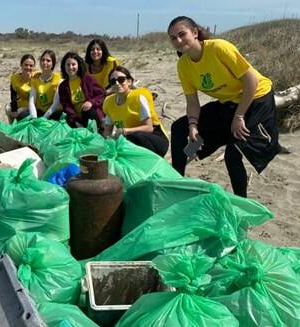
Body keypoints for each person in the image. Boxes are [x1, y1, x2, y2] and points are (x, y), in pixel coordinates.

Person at [168, 16, 280, 198]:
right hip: (229, 102)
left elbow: (251, 80)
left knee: (232, 154)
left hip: (257, 98)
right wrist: (193, 125)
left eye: (182, 34)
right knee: (179, 128)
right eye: (173, 38)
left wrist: (239, 117)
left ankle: (240, 202)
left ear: (195, 32)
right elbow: (192, 102)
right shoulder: (183, 65)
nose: (178, 41)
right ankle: (177, 185)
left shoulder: (218, 48)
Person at [102, 66, 169, 157]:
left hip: (155, 138)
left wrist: (126, 130)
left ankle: (154, 161)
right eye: (113, 82)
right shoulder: (109, 102)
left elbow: (149, 127)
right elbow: (107, 131)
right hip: (130, 140)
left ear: (129, 81)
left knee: (135, 136)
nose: (117, 83)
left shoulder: (138, 98)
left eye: (121, 80)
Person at [57, 51, 105, 128]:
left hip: (90, 114)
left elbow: (101, 94)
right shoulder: (63, 86)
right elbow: (66, 105)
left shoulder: (87, 79)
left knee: (88, 111)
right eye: (68, 65)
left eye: (73, 64)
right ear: (64, 66)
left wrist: (91, 102)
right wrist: (75, 119)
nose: (70, 67)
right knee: (58, 115)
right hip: (75, 118)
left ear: (78, 65)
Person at [28, 49, 63, 120]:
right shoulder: (35, 79)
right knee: (22, 114)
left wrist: (43, 119)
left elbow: (55, 104)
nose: (44, 62)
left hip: (53, 113)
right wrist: (34, 119)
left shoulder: (59, 79)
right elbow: (31, 101)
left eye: (48, 60)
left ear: (53, 63)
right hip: (39, 112)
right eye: (42, 60)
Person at [5, 54, 37, 122]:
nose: (28, 67)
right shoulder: (15, 78)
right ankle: (11, 125)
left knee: (21, 112)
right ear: (21, 65)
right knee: (8, 108)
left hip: (33, 105)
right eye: (26, 65)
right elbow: (13, 95)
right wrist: (14, 110)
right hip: (21, 102)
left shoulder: (36, 77)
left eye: (31, 66)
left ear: (34, 67)